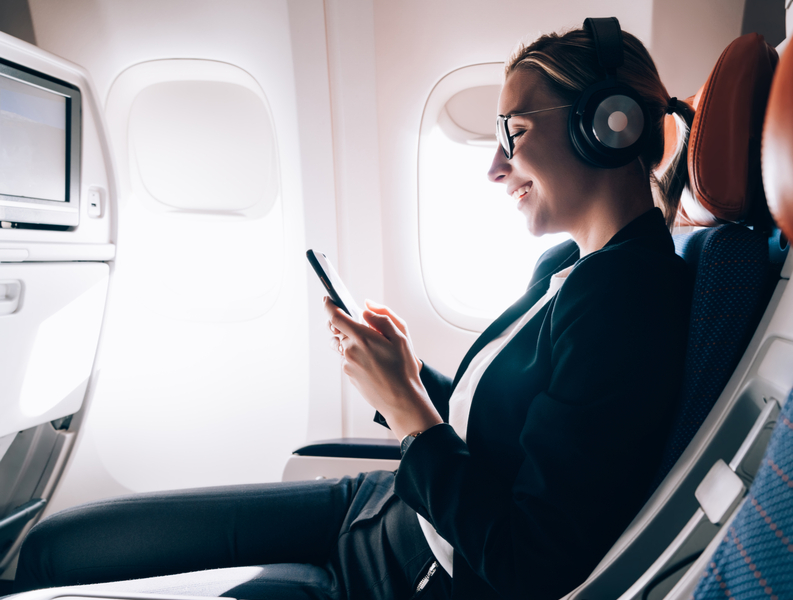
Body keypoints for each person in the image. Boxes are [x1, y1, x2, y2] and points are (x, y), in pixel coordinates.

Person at [14, 18, 694, 600]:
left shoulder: (625, 310)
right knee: (50, 549)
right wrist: (403, 373)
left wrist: (403, 409)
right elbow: (500, 436)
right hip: (386, 505)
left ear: (609, 127)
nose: (494, 167)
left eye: (512, 132)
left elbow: (529, 561)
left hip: (402, 573)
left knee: (57, 570)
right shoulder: (573, 269)